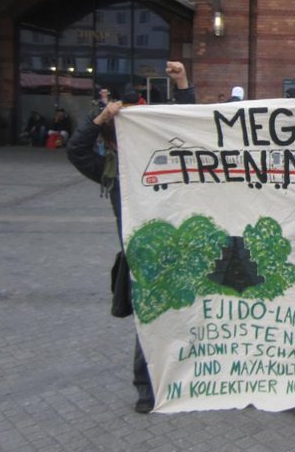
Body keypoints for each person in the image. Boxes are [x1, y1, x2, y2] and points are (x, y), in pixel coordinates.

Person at [67, 61, 195, 414]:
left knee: (185, 316)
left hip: (178, 250)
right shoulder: (111, 170)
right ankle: (146, 387)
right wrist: (100, 118)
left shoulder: (166, 159)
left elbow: (192, 123)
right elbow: (76, 151)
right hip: (140, 256)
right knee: (148, 321)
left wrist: (182, 82)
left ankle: (185, 377)